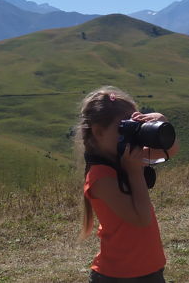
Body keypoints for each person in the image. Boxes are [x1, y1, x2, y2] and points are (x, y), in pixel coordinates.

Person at [75, 86, 180, 282]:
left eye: (134, 125)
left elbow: (171, 150)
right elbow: (141, 218)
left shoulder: (125, 155)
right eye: (124, 128)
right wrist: (134, 172)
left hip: (151, 268)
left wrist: (161, 121)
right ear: (98, 132)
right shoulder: (100, 177)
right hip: (118, 275)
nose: (133, 135)